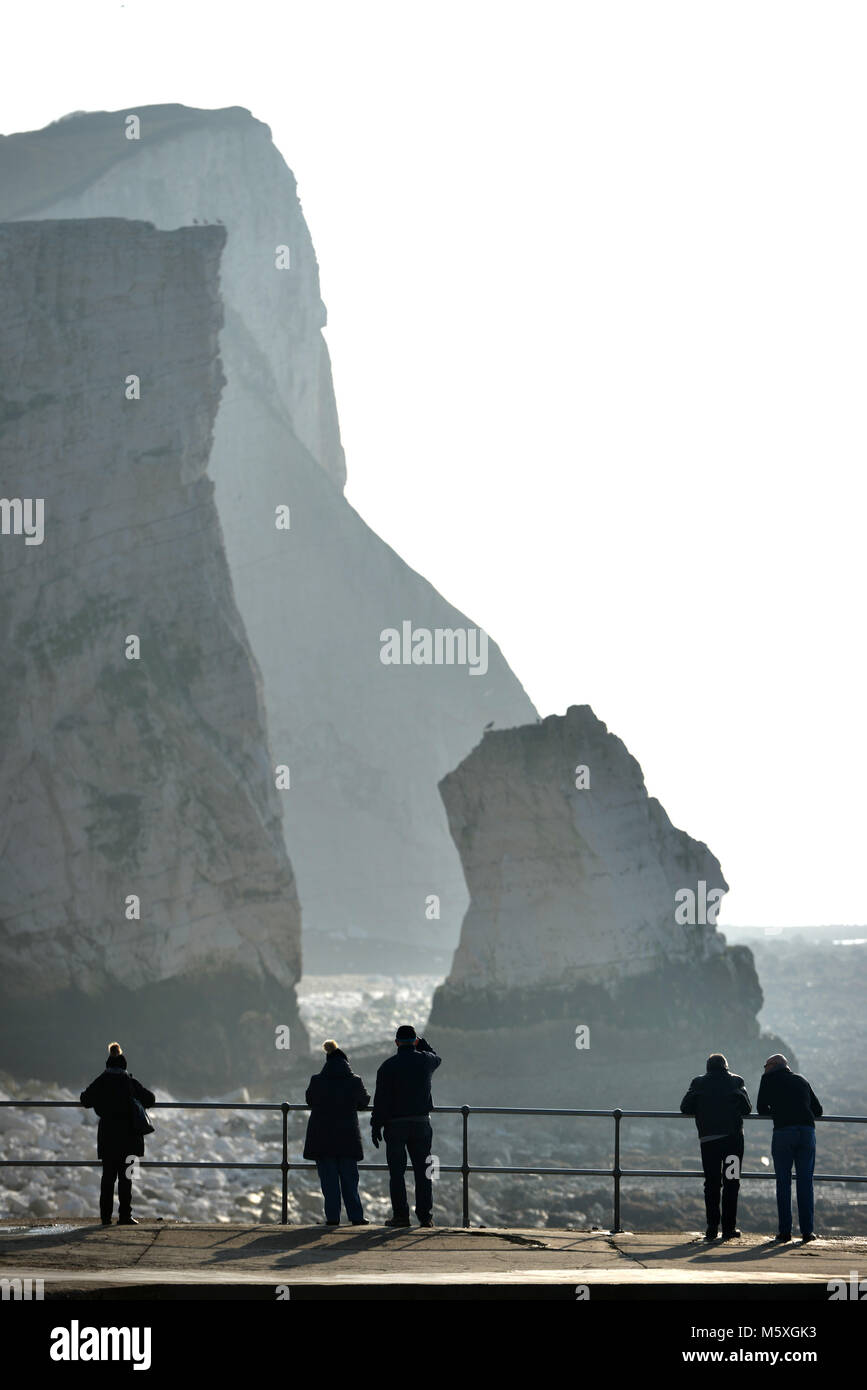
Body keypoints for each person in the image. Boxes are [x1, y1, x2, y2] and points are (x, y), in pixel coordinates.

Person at [370, 1025, 441, 1228]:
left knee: (397, 1173)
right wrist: (423, 1044)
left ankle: (401, 1216)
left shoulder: (386, 1067)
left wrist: (376, 1126)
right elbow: (437, 1057)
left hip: (395, 1126)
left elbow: (381, 1101)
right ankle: (425, 1216)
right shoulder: (426, 1061)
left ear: (396, 1043)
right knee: (424, 1171)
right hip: (421, 1124)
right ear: (415, 1042)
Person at [80, 1041, 156, 1226]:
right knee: (127, 1179)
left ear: (108, 1064)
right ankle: (125, 1216)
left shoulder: (102, 1080)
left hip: (108, 1139)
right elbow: (151, 1099)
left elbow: (85, 1099)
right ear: (124, 1064)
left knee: (107, 1179)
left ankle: (105, 1218)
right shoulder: (130, 1081)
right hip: (131, 1140)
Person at [680, 1053, 751, 1241]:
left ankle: (712, 1227)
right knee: (731, 1182)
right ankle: (729, 1228)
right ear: (726, 1066)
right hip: (733, 1142)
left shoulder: (698, 1083)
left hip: (709, 1141)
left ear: (707, 1067)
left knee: (711, 1184)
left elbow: (685, 1107)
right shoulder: (736, 1081)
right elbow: (747, 1108)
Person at [757, 1053, 823, 1243]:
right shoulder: (801, 1080)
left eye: (766, 1065)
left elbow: (762, 1108)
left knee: (783, 1183)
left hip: (784, 1133)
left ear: (774, 1065)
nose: (765, 1069)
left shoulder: (768, 1079)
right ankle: (807, 1232)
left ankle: (785, 1232)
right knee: (805, 1182)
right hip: (807, 1133)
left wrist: (779, 1110)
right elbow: (818, 1110)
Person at [304, 1040, 370, 1227]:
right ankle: (356, 1217)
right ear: (346, 1063)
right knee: (350, 1180)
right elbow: (364, 1101)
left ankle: (333, 1218)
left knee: (329, 1181)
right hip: (347, 1139)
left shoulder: (316, 1080)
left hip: (322, 1139)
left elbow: (309, 1100)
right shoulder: (354, 1081)